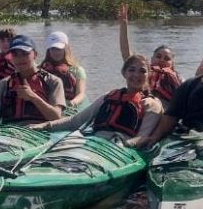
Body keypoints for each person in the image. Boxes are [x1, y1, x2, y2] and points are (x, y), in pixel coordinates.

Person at [31, 54, 163, 148]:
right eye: (131, 70)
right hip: (94, 143)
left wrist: (125, 145)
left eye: (142, 71)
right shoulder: (109, 96)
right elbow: (75, 121)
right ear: (124, 73)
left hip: (121, 148)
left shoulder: (151, 104)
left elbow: (143, 137)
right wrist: (44, 126)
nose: (136, 75)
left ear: (148, 75)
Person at [118, 4, 182, 104]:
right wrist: (123, 25)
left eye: (166, 58)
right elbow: (126, 54)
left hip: (165, 109)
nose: (161, 60)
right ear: (151, 59)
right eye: (158, 56)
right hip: (140, 103)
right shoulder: (143, 71)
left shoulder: (177, 78)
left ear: (172, 64)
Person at [40, 31, 87, 107]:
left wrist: (73, 102)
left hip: (69, 104)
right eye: (53, 49)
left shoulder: (78, 70)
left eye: (59, 49)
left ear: (66, 48)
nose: (56, 52)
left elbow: (81, 94)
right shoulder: (41, 70)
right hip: (48, 105)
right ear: (48, 50)